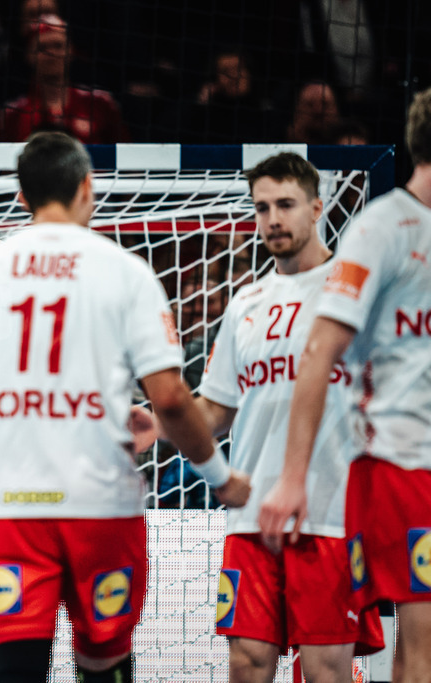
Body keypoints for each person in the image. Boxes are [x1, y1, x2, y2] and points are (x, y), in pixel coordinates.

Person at [0, 131, 251, 682]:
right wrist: (221, 477)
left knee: (16, 666)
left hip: (10, 505)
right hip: (99, 504)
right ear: (86, 188)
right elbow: (170, 396)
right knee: (102, 662)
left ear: (23, 196)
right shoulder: (125, 272)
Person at [259, 89, 431, 681]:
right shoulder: (384, 228)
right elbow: (319, 353)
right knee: (421, 649)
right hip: (402, 461)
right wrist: (292, 477)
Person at [192, 152, 383, 681]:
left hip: (330, 511)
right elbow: (215, 411)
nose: (272, 218)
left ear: (317, 207)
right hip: (252, 513)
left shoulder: (355, 292)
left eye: (285, 205)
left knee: (324, 667)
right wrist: (161, 423)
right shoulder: (245, 302)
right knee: (247, 662)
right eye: (261, 208)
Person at [0, 14, 129, 145]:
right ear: (28, 55)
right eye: (42, 48)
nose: (51, 53)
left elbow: (126, 158)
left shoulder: (101, 103)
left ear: (71, 51)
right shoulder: (12, 115)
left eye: (58, 46)